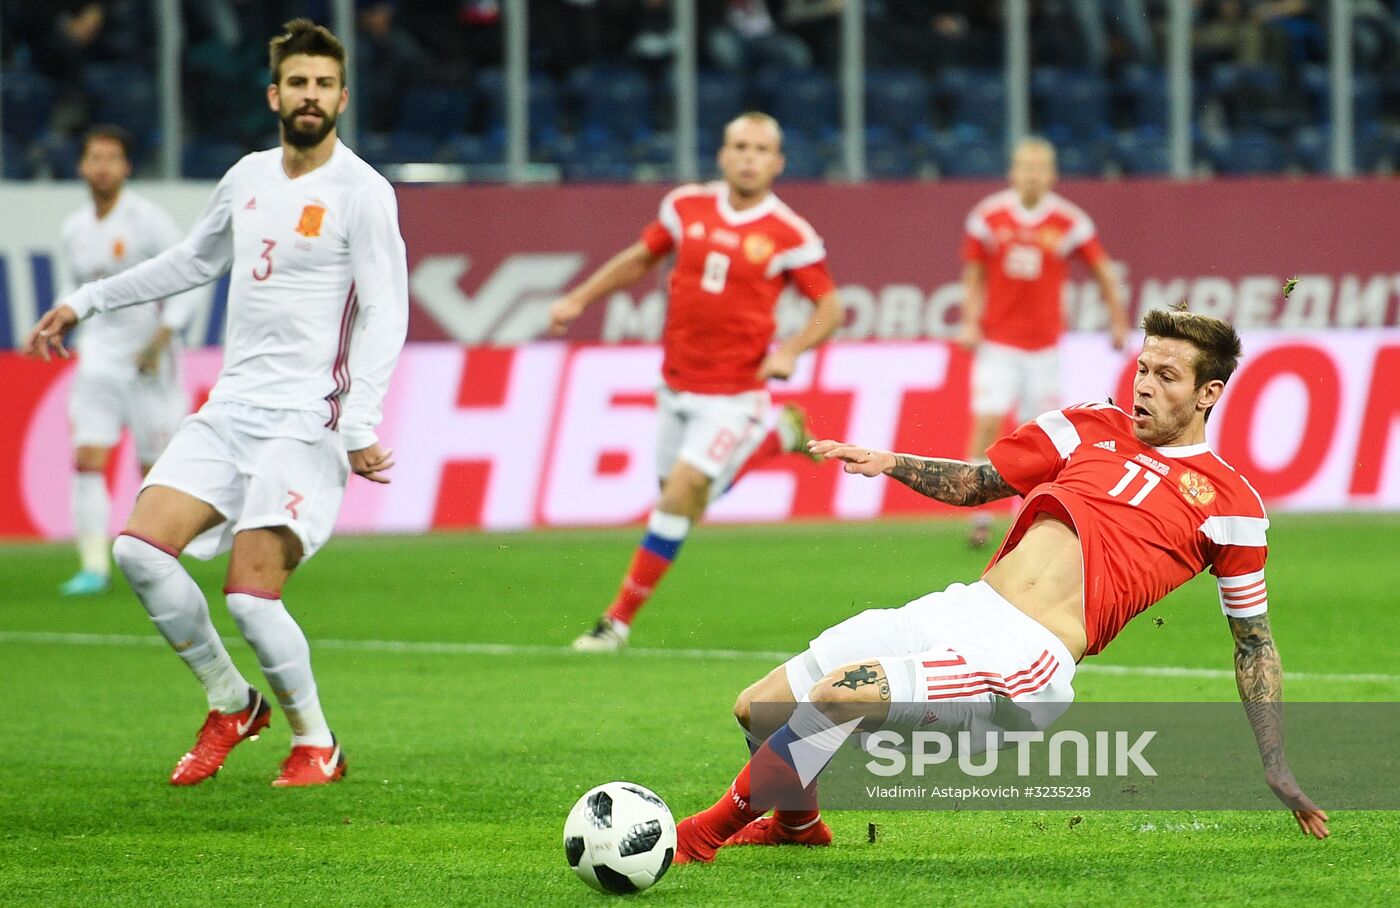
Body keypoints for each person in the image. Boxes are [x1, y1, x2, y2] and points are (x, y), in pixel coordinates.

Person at [671, 307, 1329, 864]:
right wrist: (891, 462)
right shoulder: (1088, 425)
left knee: (837, 697)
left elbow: (1253, 644)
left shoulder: (1231, 505)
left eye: (1166, 375)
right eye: (1142, 369)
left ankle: (694, 839)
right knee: (759, 709)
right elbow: (980, 482)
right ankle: (798, 827)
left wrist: (1275, 760)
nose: (1144, 386)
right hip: (964, 609)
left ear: (1207, 394)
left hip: (1024, 662)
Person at [25, 19, 408, 788]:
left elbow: (385, 310)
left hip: (306, 421)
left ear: (341, 97)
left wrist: (359, 419)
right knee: (138, 552)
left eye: (324, 84)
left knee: (250, 597)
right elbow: (189, 262)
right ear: (275, 94)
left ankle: (316, 745)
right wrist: (87, 300)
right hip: (230, 408)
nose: (310, 95)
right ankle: (231, 701)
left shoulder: (363, 192)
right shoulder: (248, 177)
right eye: (297, 82)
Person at [549, 111, 845, 652]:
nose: (749, 157)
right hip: (675, 385)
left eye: (761, 149)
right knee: (680, 504)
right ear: (723, 155)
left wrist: (791, 351)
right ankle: (780, 439)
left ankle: (614, 623)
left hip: (735, 396)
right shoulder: (685, 207)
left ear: (777, 163)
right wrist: (577, 298)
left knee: (681, 496)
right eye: (740, 146)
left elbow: (830, 308)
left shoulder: (790, 233)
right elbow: (641, 259)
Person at [959, 136, 1129, 548]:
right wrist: (968, 320)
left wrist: (1118, 320)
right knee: (987, 421)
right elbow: (974, 273)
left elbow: (1102, 270)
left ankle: (1028, 513)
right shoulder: (988, 217)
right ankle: (978, 511)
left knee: (1037, 435)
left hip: (1044, 348)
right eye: (1025, 166)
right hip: (998, 342)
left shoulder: (1070, 222)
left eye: (1040, 167)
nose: (1032, 175)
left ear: (1052, 174)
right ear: (1013, 172)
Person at [56, 125, 201, 596]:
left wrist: (164, 334)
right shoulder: (74, 230)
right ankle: (93, 567)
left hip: (150, 361)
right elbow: (79, 290)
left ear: (126, 167)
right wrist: (58, 320)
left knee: (154, 470)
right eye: (94, 158)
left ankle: (158, 558)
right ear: (82, 166)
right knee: (87, 457)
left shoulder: (148, 221)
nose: (102, 167)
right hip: (100, 358)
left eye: (111, 158)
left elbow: (190, 275)